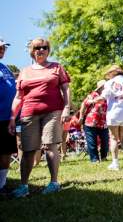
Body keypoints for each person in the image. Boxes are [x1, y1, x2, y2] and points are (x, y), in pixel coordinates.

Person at [9, 38, 71, 197]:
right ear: (32, 51)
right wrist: (12, 117)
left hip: (53, 111)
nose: (41, 50)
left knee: (50, 145)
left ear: (48, 50)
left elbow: (65, 89)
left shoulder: (57, 67)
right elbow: (18, 97)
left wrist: (66, 108)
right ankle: (23, 186)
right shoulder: (24, 71)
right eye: (37, 47)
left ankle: (54, 182)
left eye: (44, 47)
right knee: (28, 150)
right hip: (28, 113)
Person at [101, 65, 123, 170]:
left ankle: (115, 163)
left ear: (112, 73)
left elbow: (104, 96)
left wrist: (93, 100)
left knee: (113, 138)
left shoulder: (109, 83)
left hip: (114, 112)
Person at [0, 37, 17, 192]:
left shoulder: (5, 67)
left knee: (6, 151)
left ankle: (2, 184)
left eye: (4, 47)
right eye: (0, 47)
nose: (2, 50)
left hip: (7, 117)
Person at [79, 81, 109, 163]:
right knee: (92, 141)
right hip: (91, 122)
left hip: (103, 122)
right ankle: (94, 159)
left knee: (105, 141)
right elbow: (84, 105)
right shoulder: (92, 95)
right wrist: (81, 117)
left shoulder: (107, 95)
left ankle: (103, 157)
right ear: (101, 88)